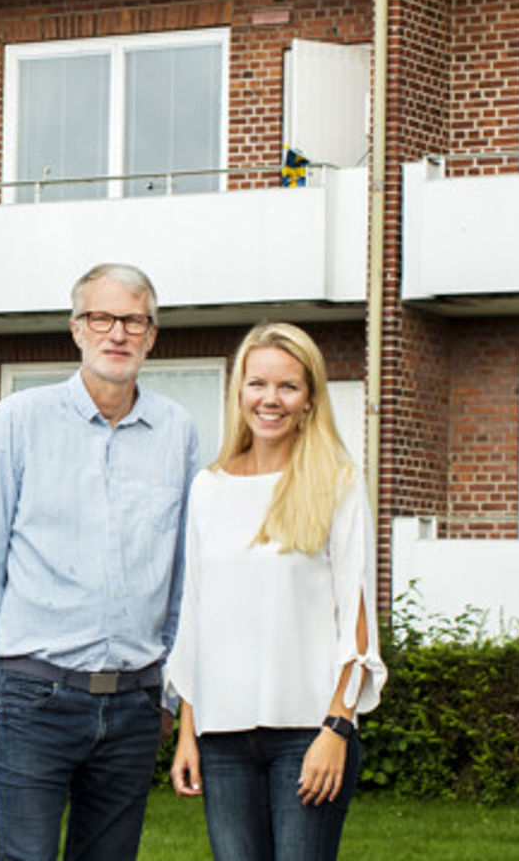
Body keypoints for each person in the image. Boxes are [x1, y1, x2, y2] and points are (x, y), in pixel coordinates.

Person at [0, 262, 201, 861]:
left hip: (134, 704)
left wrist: (166, 692)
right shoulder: (19, 421)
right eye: (102, 318)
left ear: (152, 335)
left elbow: (183, 574)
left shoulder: (178, 431)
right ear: (76, 329)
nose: (117, 334)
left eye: (133, 321)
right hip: (36, 694)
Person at [166, 322, 386, 861]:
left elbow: (355, 621)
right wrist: (187, 733)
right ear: (238, 391)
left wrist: (337, 728)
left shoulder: (336, 482)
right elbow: (195, 617)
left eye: (288, 386)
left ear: (310, 400)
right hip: (221, 739)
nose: (270, 399)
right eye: (257, 384)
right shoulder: (207, 488)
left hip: (308, 733)